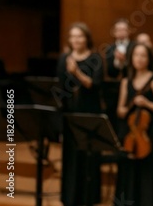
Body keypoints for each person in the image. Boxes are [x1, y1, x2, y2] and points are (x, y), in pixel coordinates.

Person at [114, 43, 153, 205]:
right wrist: (123, 111)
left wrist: (146, 103)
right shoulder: (126, 81)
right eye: (136, 55)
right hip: (130, 131)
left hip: (149, 133)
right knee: (128, 168)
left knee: (147, 170)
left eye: (143, 55)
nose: (139, 59)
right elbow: (120, 110)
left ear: (149, 59)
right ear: (131, 58)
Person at [56, 22, 103, 206]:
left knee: (88, 156)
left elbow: (95, 85)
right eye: (73, 36)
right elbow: (60, 87)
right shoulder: (64, 59)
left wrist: (76, 72)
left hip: (89, 112)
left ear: (87, 38)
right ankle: (69, 197)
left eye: (80, 36)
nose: (76, 40)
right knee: (71, 155)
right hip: (70, 113)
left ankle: (88, 198)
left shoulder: (95, 59)